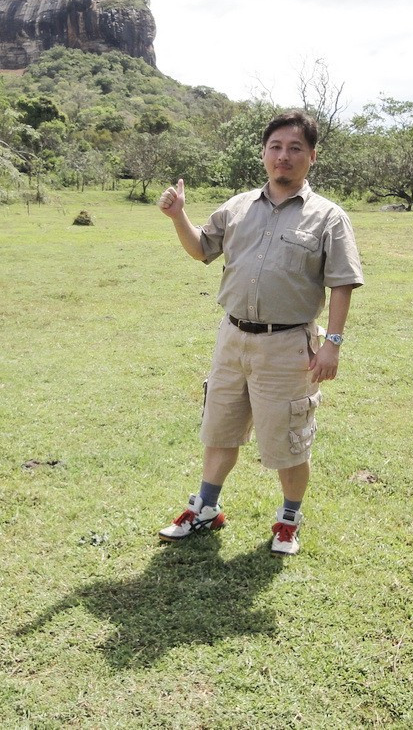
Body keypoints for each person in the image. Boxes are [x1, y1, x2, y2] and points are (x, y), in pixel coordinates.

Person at [156, 110, 364, 556]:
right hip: (232, 339)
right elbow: (201, 250)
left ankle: (288, 519)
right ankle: (205, 508)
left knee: (288, 439)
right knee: (220, 427)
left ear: (311, 156)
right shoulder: (237, 207)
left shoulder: (328, 217)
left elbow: (343, 282)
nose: (283, 157)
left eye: (294, 149)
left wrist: (333, 345)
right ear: (263, 153)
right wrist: (178, 216)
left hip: (288, 344)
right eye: (275, 147)